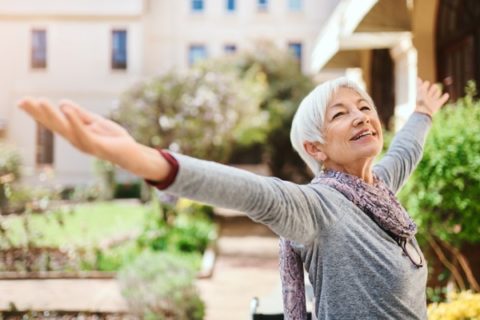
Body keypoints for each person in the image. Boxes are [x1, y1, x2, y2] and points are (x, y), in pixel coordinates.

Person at [18, 77, 449, 319]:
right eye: (341, 113)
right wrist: (145, 160)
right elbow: (252, 193)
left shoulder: (381, 192)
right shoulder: (321, 210)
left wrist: (424, 111)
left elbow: (406, 149)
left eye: (364, 107)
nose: (361, 116)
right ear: (315, 149)